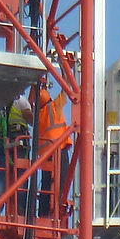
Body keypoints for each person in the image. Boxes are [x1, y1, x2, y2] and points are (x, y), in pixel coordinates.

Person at [31, 82, 72, 218]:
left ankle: (43, 213)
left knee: (46, 186)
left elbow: (30, 103)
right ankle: (58, 208)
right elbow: (66, 91)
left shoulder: (36, 116)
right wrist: (66, 75)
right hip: (58, 151)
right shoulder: (55, 107)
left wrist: (33, 85)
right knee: (62, 183)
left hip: (45, 157)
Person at [0, 93, 33, 214]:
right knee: (21, 178)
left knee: (2, 177)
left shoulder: (2, 105)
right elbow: (31, 119)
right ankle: (20, 211)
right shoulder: (21, 101)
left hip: (3, 145)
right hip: (18, 145)